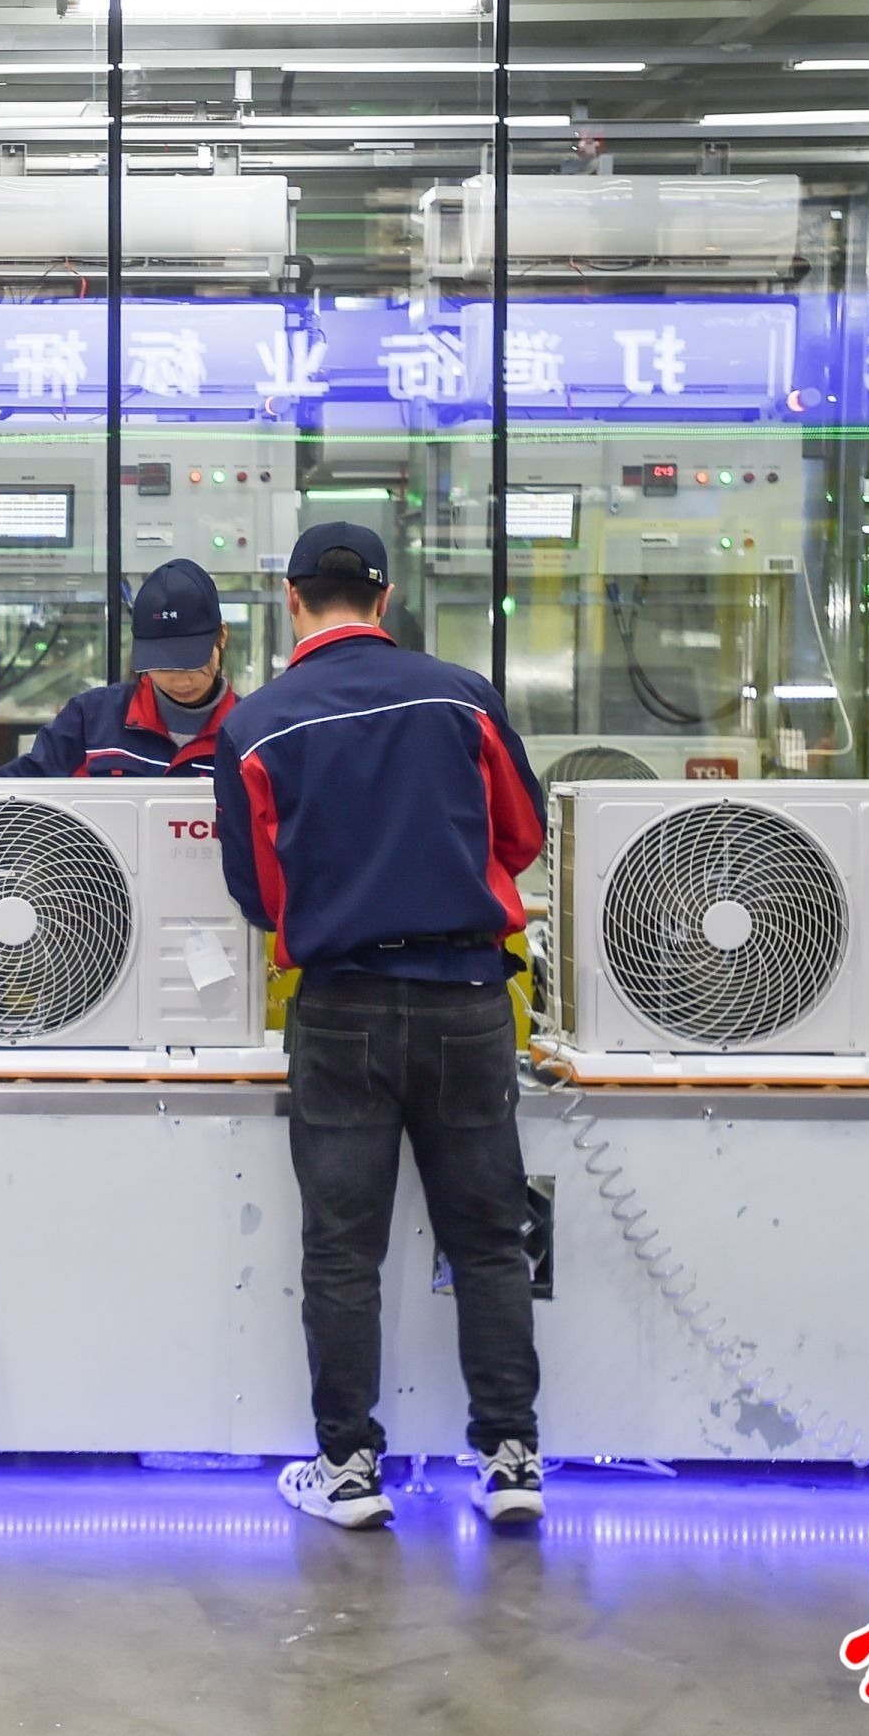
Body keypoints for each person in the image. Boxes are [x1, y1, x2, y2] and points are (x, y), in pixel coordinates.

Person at [212, 522, 548, 1532]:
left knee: (342, 1247)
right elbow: (522, 835)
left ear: (291, 598)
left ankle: (348, 1465)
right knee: (490, 1236)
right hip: (468, 1001)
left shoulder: (256, 728)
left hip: (342, 1008)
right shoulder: (463, 697)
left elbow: (262, 895)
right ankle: (511, 1455)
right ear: (386, 598)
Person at [0, 557, 241, 778]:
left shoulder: (251, 731)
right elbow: (14, 796)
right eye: (164, 667)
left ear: (222, 637)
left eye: (193, 664)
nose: (181, 681)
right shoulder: (89, 720)